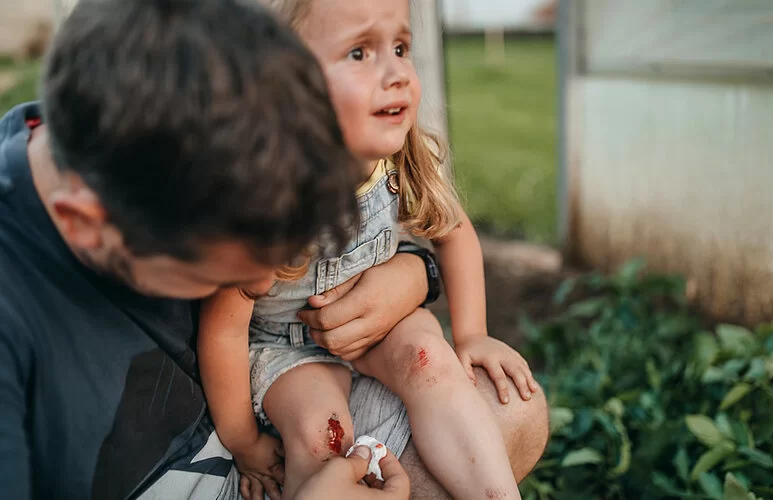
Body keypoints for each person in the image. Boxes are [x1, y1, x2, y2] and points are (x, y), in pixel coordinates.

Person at [0, 0, 549, 499]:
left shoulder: (149, 155)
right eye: (223, 268)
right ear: (87, 224)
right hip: (262, 445)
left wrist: (416, 270)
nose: (266, 286)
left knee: (510, 408)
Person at [198, 0, 538, 498]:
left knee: (429, 358)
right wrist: (244, 442)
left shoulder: (402, 159)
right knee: (321, 433)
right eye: (360, 52)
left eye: (401, 48)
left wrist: (472, 334)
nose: (397, 72)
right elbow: (223, 331)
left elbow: (454, 232)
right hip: (284, 348)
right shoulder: (263, 204)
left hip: (384, 324)